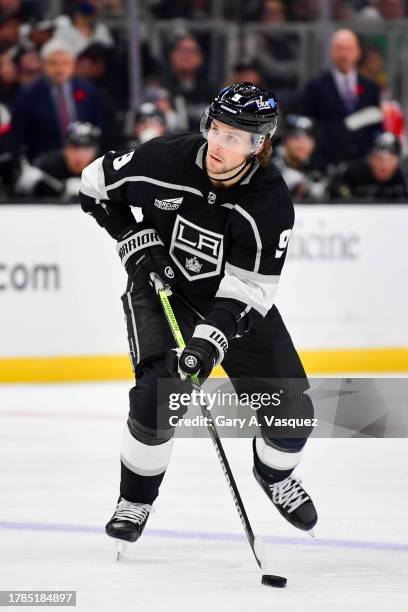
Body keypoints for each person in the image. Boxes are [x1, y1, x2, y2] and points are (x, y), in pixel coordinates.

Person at [79, 82, 317, 550]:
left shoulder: (268, 204)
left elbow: (247, 291)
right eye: (216, 129)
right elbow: (93, 186)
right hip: (160, 289)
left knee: (294, 414)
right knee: (156, 397)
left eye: (234, 137)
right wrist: (134, 239)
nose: (218, 145)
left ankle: (273, 473)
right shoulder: (166, 158)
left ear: (259, 145)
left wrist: (208, 343)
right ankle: (135, 500)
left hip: (231, 306)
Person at [299, 28, 382, 165]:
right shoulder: (316, 87)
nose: (344, 54)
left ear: (358, 53)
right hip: (327, 161)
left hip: (362, 163)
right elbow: (308, 124)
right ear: (331, 52)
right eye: (339, 49)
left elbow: (376, 125)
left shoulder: (371, 88)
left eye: (349, 49)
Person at [11, 38, 101, 160]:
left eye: (65, 63)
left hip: (83, 161)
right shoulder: (28, 94)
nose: (59, 69)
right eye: (53, 63)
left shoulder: (87, 90)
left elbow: (97, 127)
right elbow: (18, 136)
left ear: (73, 64)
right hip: (43, 162)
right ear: (43, 64)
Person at [14, 121, 101, 198]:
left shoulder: (103, 171)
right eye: (74, 147)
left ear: (94, 152)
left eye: (85, 149)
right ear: (65, 149)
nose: (79, 154)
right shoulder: (45, 167)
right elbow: (19, 193)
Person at [329, 131, 408, 201]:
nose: (382, 165)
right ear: (370, 159)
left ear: (398, 161)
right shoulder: (353, 175)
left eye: (389, 160)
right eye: (378, 158)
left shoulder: (404, 177)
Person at [272, 114, 327, 201]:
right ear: (284, 139)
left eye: (308, 137)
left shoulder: (320, 167)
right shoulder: (269, 167)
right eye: (295, 136)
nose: (302, 142)